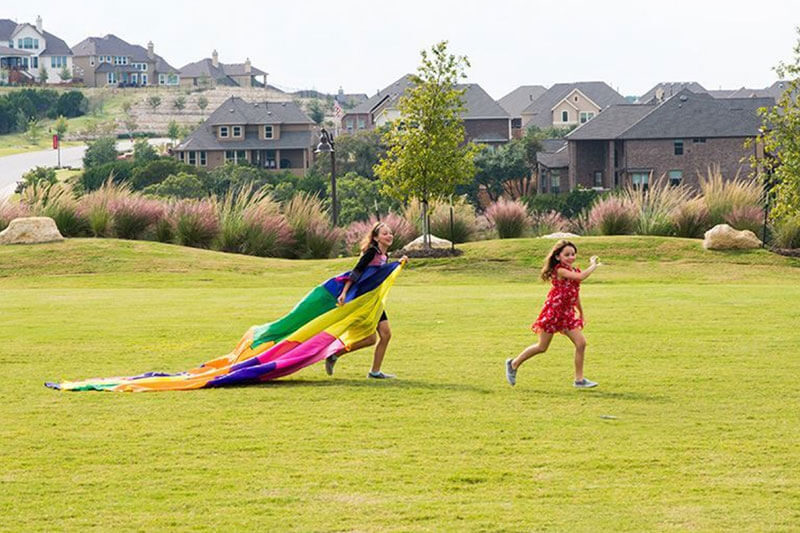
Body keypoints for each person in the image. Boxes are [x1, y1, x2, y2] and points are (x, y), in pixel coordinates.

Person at [505, 239, 602, 388]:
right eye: (567, 254)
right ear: (558, 257)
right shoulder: (560, 270)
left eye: (573, 254)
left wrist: (580, 312)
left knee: (581, 343)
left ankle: (579, 380)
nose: (571, 257)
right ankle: (513, 364)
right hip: (553, 313)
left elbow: (574, 293)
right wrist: (593, 266)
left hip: (566, 315)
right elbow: (581, 277)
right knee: (542, 347)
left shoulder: (573, 271)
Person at [325, 221, 406, 379]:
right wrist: (344, 293)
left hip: (374, 301)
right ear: (376, 238)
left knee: (385, 335)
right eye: (385, 233)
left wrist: (399, 264)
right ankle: (335, 354)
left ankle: (374, 372)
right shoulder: (371, 253)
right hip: (362, 300)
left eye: (390, 233)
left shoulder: (384, 255)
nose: (389, 236)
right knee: (370, 338)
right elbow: (356, 272)